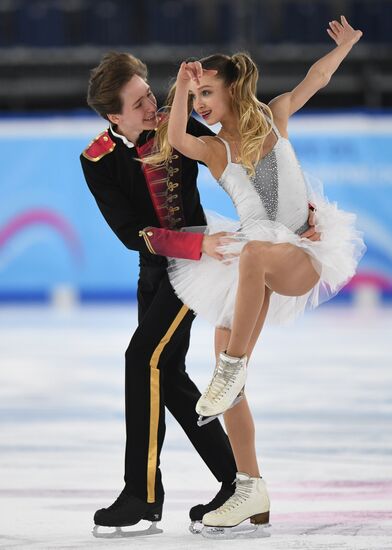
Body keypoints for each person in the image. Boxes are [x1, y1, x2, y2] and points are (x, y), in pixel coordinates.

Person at [80, 51, 319, 536]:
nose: (152, 105)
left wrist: (297, 216)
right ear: (114, 117)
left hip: (197, 264)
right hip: (155, 268)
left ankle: (141, 495)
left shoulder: (178, 123)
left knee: (141, 358)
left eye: (150, 93)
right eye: (139, 102)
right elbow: (132, 232)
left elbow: (251, 155)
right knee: (168, 376)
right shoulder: (96, 159)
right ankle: (236, 480)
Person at [164, 15, 366, 537]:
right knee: (228, 375)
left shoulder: (275, 117)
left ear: (233, 88)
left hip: (298, 255)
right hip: (251, 262)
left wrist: (345, 48)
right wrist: (182, 90)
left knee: (253, 259)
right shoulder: (214, 149)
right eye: (198, 92)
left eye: (208, 91)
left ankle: (233, 368)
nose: (203, 102)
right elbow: (177, 136)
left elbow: (315, 80)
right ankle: (250, 488)